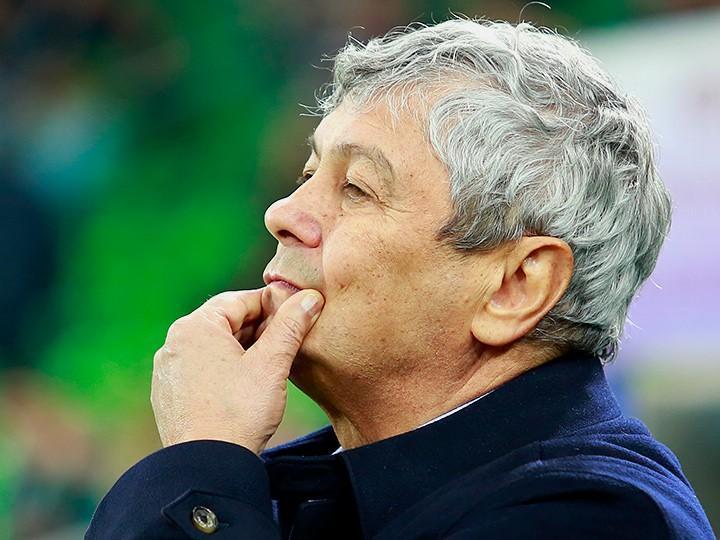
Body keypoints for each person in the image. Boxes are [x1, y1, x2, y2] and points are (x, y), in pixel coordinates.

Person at [86, 18, 714, 539]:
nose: (283, 213)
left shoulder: (591, 520)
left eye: (356, 189)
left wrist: (201, 471)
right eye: (308, 174)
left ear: (515, 287)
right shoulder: (315, 489)